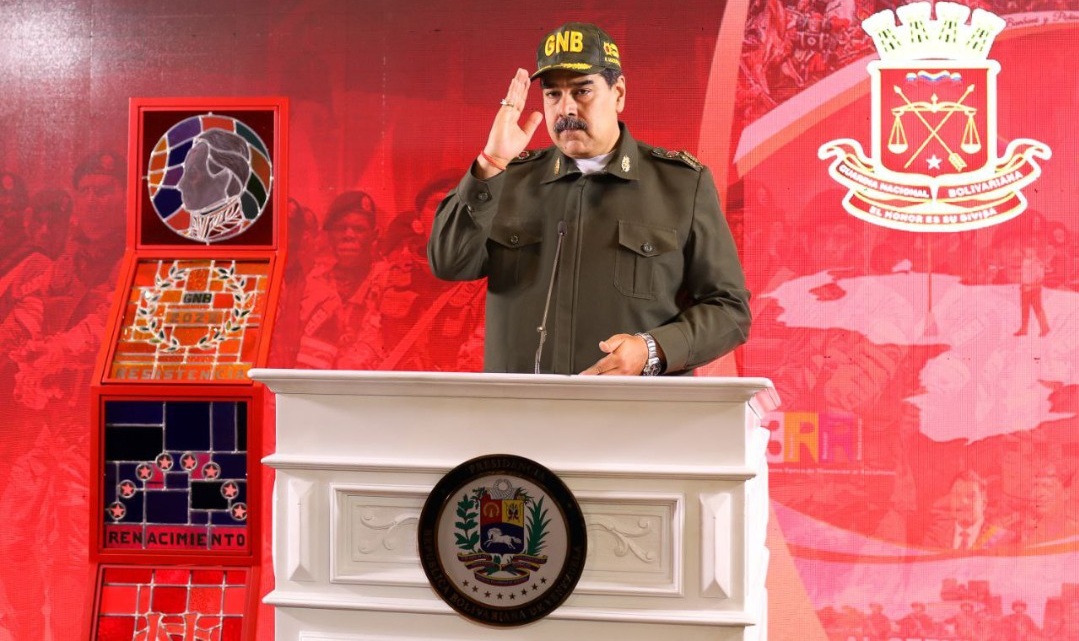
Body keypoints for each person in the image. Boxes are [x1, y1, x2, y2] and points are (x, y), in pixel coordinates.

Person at [427, 22, 751, 375]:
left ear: (619, 93)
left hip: (637, 407)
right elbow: (449, 263)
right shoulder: (506, 179)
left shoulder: (682, 185)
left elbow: (729, 310)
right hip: (521, 406)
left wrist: (652, 350)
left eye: (582, 91)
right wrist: (490, 162)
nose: (566, 109)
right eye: (553, 94)